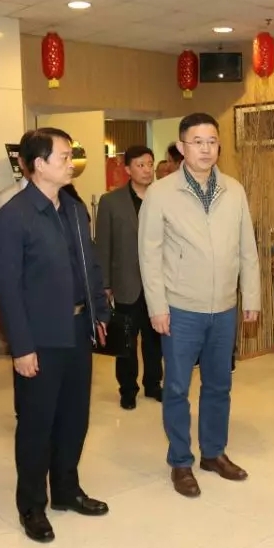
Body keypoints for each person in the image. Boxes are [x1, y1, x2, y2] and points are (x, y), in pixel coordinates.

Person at [0, 127, 111, 544]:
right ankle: (32, 505)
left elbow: (89, 265)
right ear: (39, 164)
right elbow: (7, 290)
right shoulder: (13, 217)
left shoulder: (74, 210)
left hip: (77, 327)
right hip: (39, 337)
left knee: (75, 418)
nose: (71, 163)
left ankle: (66, 489)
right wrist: (21, 347)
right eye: (64, 156)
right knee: (37, 424)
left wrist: (99, 311)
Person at [138, 112, 261, 498]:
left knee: (219, 385)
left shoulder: (234, 190)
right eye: (197, 142)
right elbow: (149, 255)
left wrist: (251, 297)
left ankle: (213, 453)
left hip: (223, 307)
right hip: (180, 308)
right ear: (181, 147)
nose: (206, 149)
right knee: (176, 387)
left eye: (212, 141)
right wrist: (157, 306)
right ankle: (180, 460)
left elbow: (247, 249)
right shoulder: (161, 193)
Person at [94, 145, 163, 410]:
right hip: (126, 283)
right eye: (140, 165)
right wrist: (105, 283)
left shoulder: (162, 198)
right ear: (127, 169)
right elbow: (103, 245)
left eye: (150, 164)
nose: (147, 170)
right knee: (126, 340)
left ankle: (153, 384)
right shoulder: (111, 202)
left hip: (158, 283)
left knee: (155, 339)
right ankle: (127, 389)